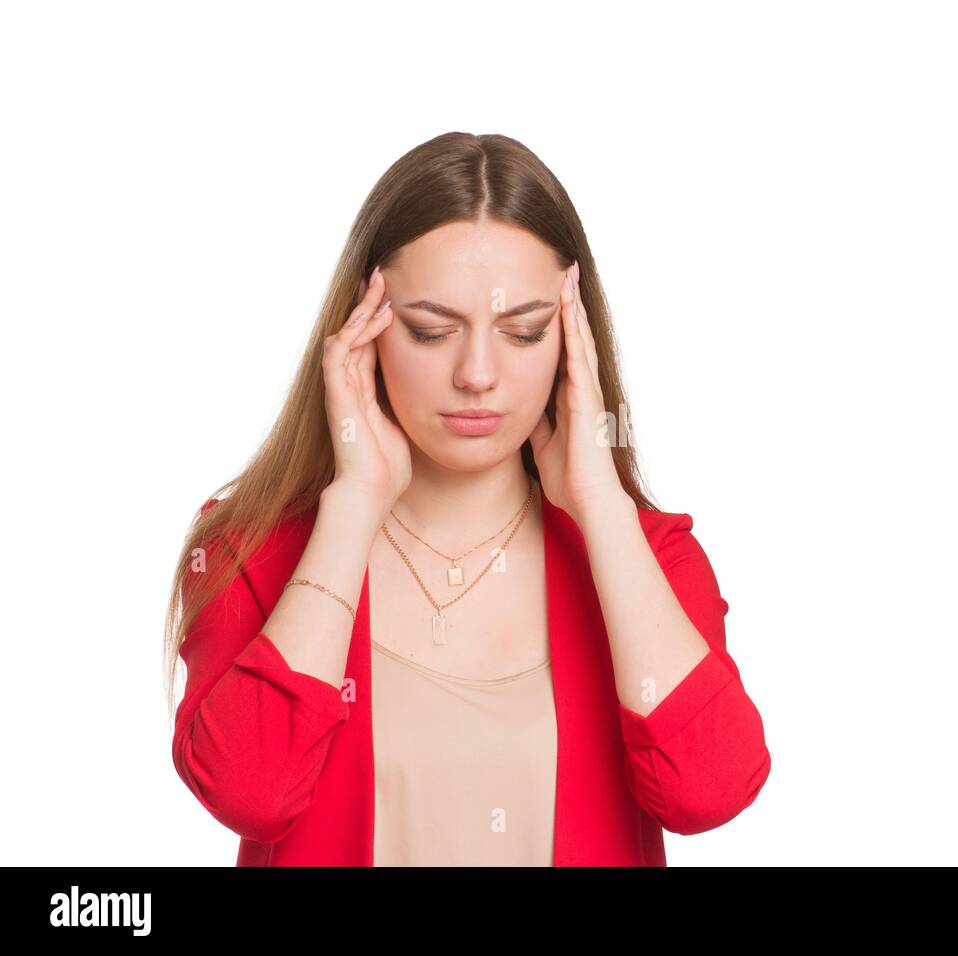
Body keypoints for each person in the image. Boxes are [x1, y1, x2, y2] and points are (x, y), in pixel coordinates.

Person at [163, 131, 771, 866]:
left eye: (523, 331)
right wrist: (354, 501)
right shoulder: (249, 552)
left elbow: (708, 793)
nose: (477, 373)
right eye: (431, 330)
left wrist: (599, 502)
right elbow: (250, 794)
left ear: (572, 341)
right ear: (363, 331)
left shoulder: (650, 560)